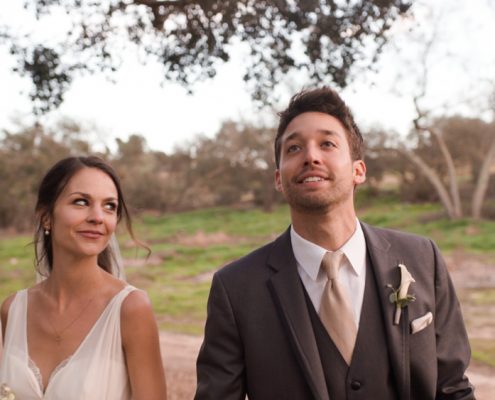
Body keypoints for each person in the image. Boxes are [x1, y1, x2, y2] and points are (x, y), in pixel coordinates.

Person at [195, 87, 475, 400]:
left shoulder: (423, 258)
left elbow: (453, 388)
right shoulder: (235, 288)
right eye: (294, 148)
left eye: (327, 144)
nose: (311, 156)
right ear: (278, 178)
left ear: (359, 170)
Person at [0, 156, 167, 399]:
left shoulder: (130, 309)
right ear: (46, 217)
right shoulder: (13, 309)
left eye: (109, 206)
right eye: (81, 202)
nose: (98, 217)